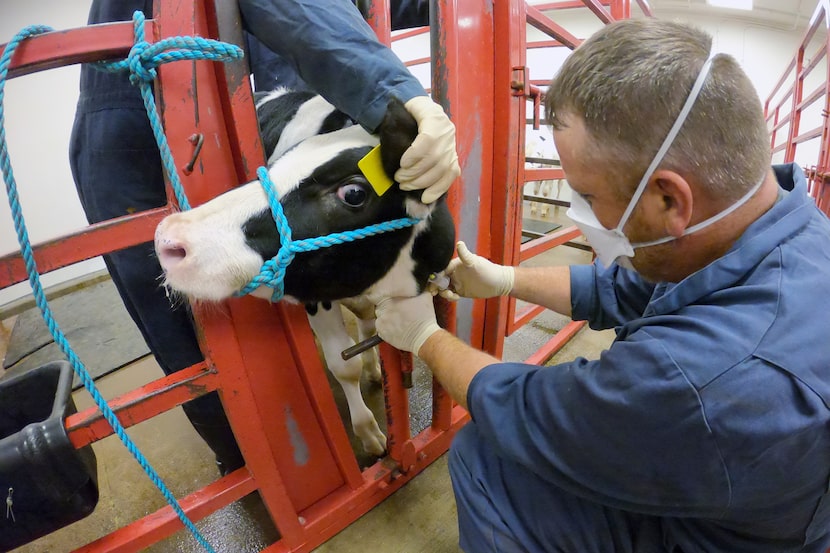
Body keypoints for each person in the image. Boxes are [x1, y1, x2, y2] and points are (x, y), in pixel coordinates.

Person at [375, 18, 830, 553]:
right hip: (766, 500)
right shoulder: (786, 229)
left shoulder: (701, 379)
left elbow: (524, 409)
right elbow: (629, 290)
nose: (579, 213)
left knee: (488, 454)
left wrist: (425, 336)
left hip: (718, 536)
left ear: (669, 200)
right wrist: (505, 280)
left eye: (587, 195)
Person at [69, 0, 457, 474]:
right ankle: (250, 463)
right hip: (137, 101)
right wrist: (394, 88)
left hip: (256, 86)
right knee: (192, 330)